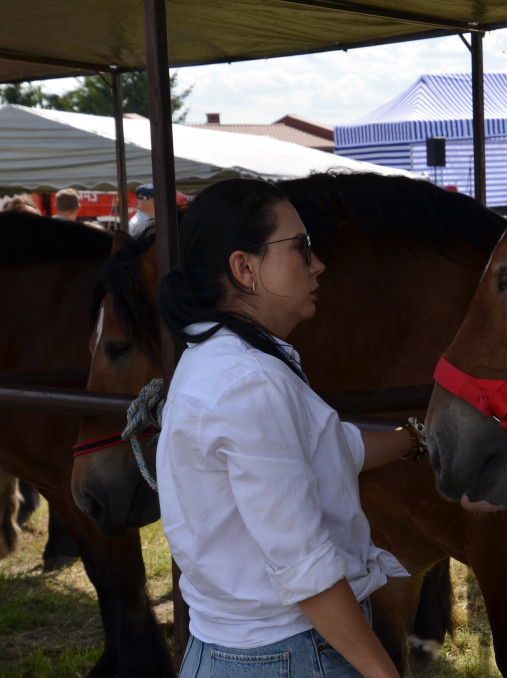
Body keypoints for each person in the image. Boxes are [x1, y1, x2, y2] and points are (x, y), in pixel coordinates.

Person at [156, 178, 421, 678]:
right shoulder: (249, 382)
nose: (317, 263)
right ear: (245, 268)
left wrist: (418, 440)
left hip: (245, 652)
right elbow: (307, 568)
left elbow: (327, 447)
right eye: (300, 248)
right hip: (289, 656)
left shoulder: (221, 359)